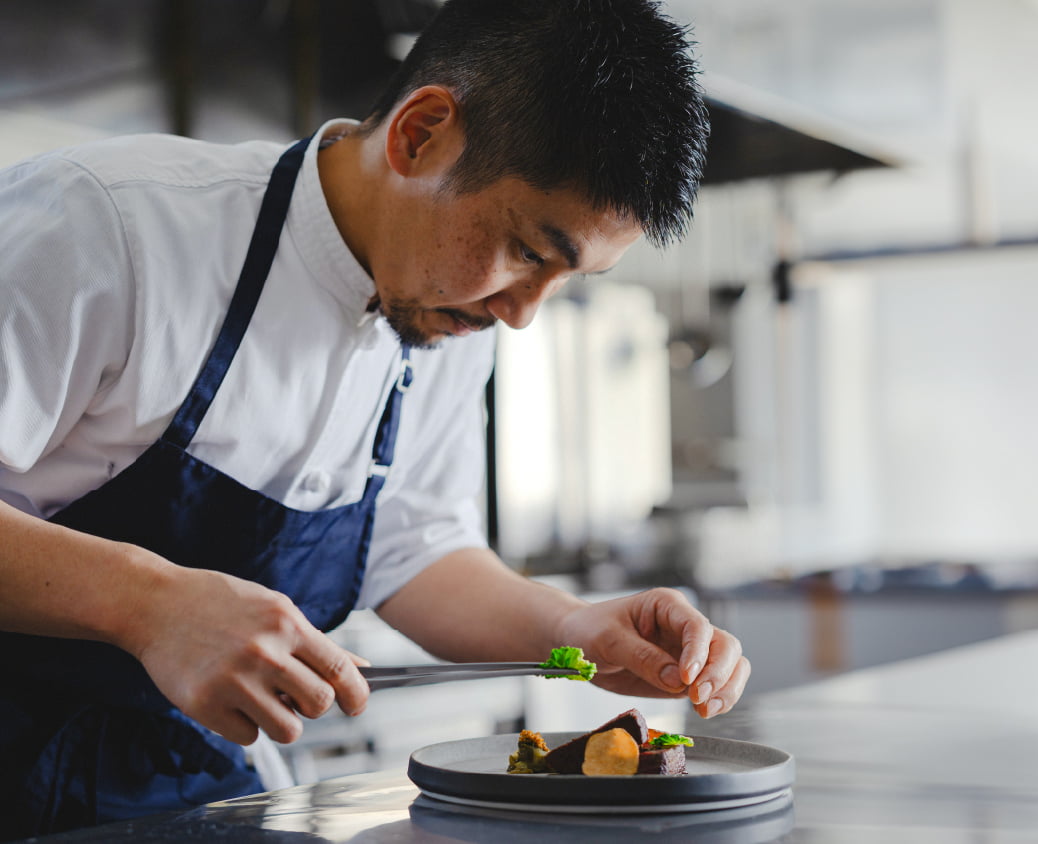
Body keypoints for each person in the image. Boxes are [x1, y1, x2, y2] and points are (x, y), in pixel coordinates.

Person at [0, 0, 750, 837]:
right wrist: (148, 604)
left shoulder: (450, 310)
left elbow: (414, 549)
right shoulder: (111, 225)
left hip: (186, 794)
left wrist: (573, 629)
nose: (522, 314)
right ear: (420, 134)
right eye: (530, 250)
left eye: (569, 278)